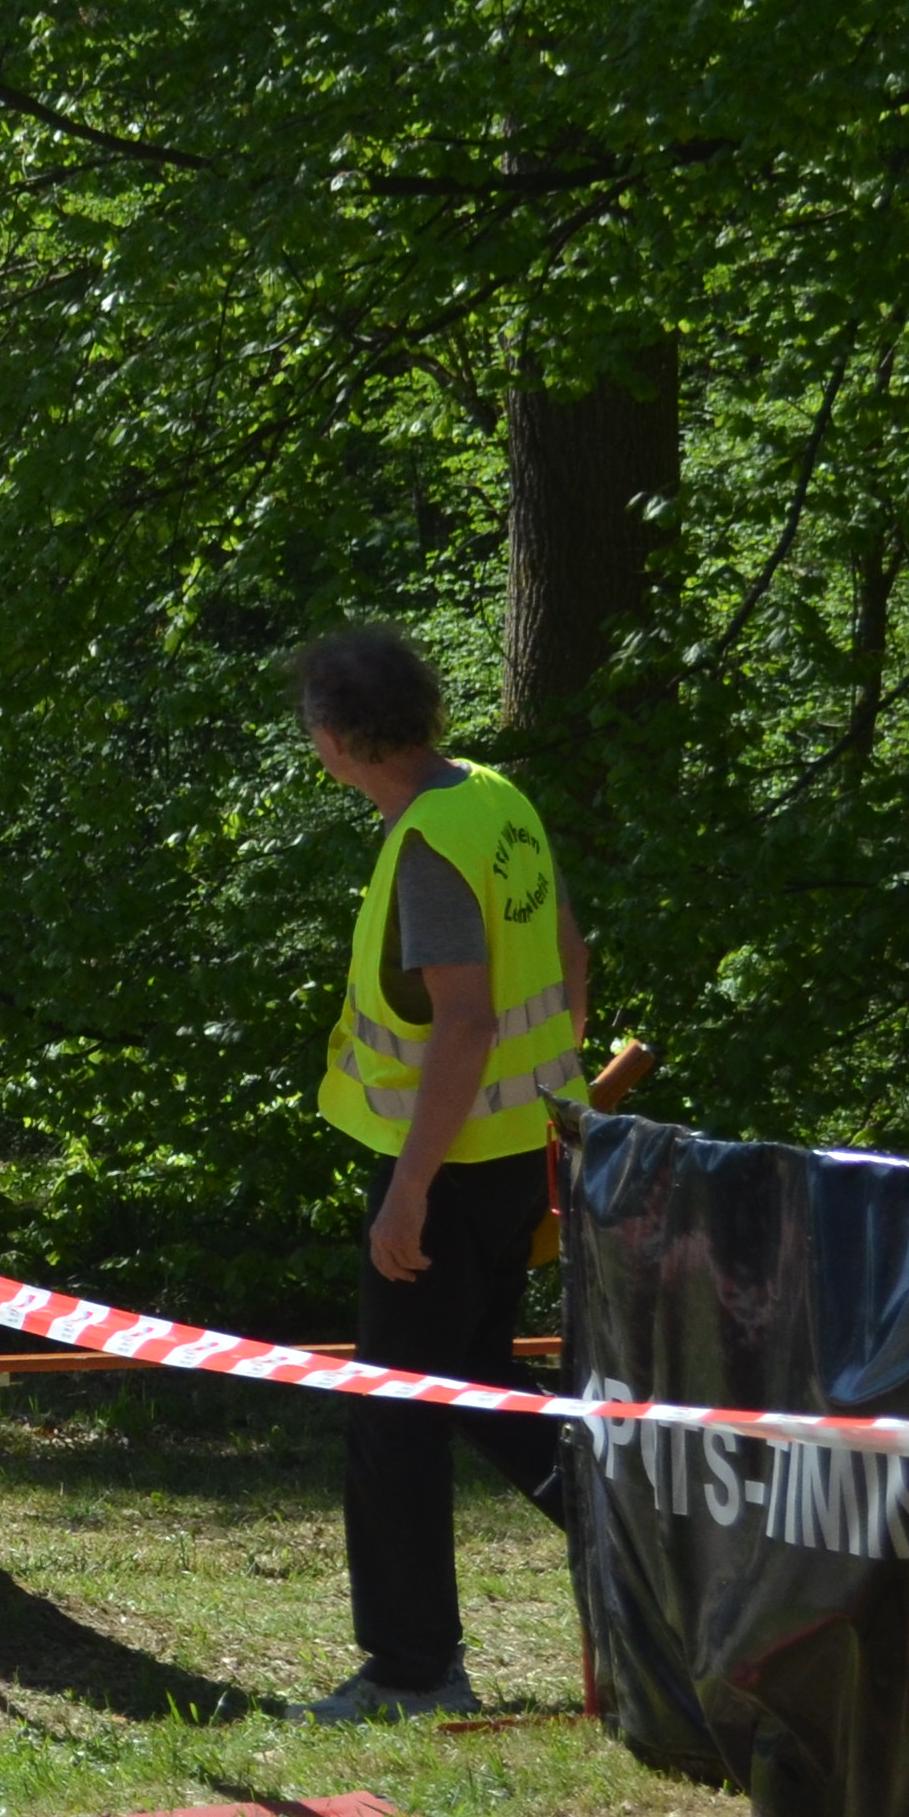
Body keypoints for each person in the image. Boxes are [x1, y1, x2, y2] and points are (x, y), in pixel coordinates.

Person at [292, 627, 589, 1725]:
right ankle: (648, 1540)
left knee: (393, 1412)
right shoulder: (495, 800)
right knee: (477, 1378)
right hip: (515, 1154)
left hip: (450, 1167)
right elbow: (570, 956)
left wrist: (411, 1189)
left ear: (335, 739)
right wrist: (551, 1100)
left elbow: (463, 1023)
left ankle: (410, 1672)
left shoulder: (427, 844)